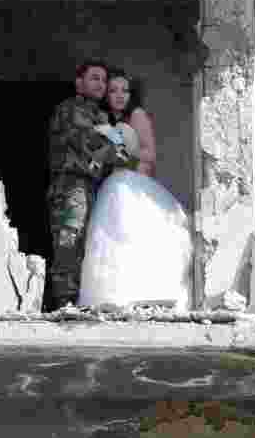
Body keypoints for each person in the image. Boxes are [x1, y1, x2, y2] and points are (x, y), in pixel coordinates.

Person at [78, 69, 194, 311]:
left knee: (133, 235)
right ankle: (112, 298)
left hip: (133, 183)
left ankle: (143, 295)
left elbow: (150, 155)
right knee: (110, 238)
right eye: (113, 90)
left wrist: (122, 153)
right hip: (114, 182)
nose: (119, 96)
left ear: (132, 94)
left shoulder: (137, 115)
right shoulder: (105, 118)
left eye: (125, 90)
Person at [46, 60, 132, 311]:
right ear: (79, 82)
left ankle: (81, 300)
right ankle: (65, 301)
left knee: (90, 243)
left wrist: (112, 141)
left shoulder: (101, 115)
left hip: (93, 185)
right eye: (94, 78)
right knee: (69, 240)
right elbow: (91, 142)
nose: (100, 84)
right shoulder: (70, 109)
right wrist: (111, 139)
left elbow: (120, 154)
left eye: (104, 80)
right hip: (71, 184)